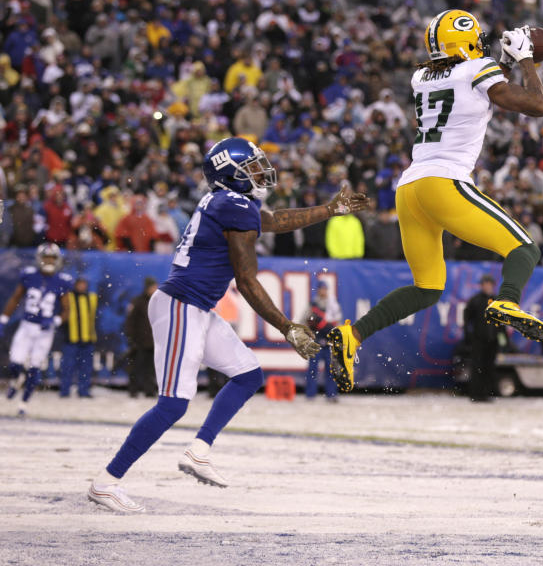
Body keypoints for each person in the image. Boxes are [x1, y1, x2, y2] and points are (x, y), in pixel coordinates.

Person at [88, 137, 367, 513]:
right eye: (251, 166)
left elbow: (273, 220)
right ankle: (107, 482)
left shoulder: (230, 203)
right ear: (230, 174)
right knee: (172, 405)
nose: (259, 171)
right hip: (181, 306)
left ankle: (200, 450)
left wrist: (330, 210)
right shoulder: (233, 206)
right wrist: (287, 326)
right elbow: (248, 280)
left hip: (196, 307)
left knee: (248, 373)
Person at [326, 11, 543, 393]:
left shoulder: (423, 76)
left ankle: (353, 335)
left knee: (427, 287)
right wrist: (526, 57)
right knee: (525, 250)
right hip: (444, 182)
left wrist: (505, 64)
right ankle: (507, 302)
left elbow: (477, 83)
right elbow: (535, 105)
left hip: (410, 188)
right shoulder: (476, 68)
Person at [2, 243, 73, 416]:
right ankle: (16, 379)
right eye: (46, 257)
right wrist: (3, 318)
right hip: (27, 326)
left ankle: (23, 404)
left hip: (44, 331)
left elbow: (67, 310)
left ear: (57, 260)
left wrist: (55, 321)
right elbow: (15, 298)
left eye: (52, 258)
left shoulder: (62, 280)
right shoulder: (29, 275)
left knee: (35, 368)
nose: (49, 261)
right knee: (15, 363)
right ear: (39, 259)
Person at [462, 274, 502, 402]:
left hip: (493, 341)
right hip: (478, 340)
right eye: (485, 284)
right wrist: (469, 337)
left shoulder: (497, 302)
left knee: (489, 367)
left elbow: (501, 324)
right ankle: (475, 394)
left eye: (489, 284)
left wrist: (502, 339)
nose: (487, 287)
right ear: (481, 286)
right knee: (477, 367)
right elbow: (467, 320)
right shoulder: (475, 300)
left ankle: (487, 394)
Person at [60, 277, 98, 398]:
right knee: (68, 366)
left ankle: (83, 390)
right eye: (80, 284)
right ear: (75, 285)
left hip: (87, 339)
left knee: (86, 367)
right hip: (71, 339)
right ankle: (65, 390)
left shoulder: (92, 297)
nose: (82, 287)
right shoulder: (68, 297)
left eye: (84, 284)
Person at [304, 282, 343, 402]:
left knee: (331, 369)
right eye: (321, 289)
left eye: (325, 289)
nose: (323, 291)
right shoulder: (313, 304)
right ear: (318, 290)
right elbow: (304, 320)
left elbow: (338, 322)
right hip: (315, 341)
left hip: (328, 342)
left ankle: (331, 394)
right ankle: (310, 395)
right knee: (312, 369)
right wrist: (310, 327)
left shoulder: (333, 304)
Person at [125, 277, 158, 398]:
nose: (155, 289)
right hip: (139, 341)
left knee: (150, 369)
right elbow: (130, 321)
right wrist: (131, 338)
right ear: (147, 288)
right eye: (153, 287)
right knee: (136, 367)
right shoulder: (137, 301)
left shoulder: (157, 302)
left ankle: (149, 390)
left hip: (153, 342)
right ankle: (133, 390)